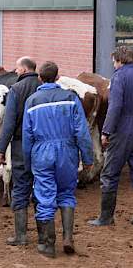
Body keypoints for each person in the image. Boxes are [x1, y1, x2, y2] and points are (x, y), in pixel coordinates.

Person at [22, 61, 93, 258]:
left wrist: (28, 164)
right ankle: (68, 238)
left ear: (40, 78)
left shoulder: (32, 101)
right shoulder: (71, 98)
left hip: (42, 152)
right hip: (67, 152)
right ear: (58, 77)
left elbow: (27, 137)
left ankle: (48, 244)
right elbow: (82, 131)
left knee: (45, 196)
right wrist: (87, 157)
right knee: (67, 193)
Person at [0, 56, 40, 245]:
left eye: (16, 68)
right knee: (42, 187)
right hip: (43, 145)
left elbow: (9, 123)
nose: (15, 71)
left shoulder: (16, 89)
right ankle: (44, 235)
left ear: (23, 70)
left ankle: (20, 236)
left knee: (21, 187)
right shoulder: (42, 85)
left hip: (21, 145)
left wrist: (0, 149)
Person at [88, 46, 133, 226]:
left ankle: (106, 217)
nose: (114, 65)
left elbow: (115, 107)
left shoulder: (119, 77)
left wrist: (106, 131)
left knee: (110, 174)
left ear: (120, 60)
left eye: (114, 61)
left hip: (123, 129)